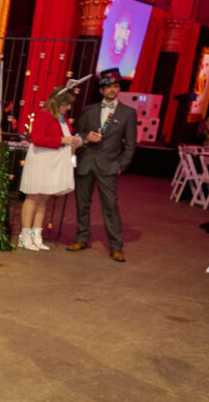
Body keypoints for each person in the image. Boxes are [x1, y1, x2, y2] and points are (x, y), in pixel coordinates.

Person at [67, 68, 136, 262]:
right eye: (108, 87)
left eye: (115, 86)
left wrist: (121, 165)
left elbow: (130, 145)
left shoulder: (128, 113)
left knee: (110, 206)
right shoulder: (89, 110)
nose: (112, 90)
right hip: (87, 162)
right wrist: (85, 137)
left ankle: (116, 246)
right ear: (101, 90)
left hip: (109, 166)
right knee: (82, 204)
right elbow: (77, 133)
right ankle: (81, 238)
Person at [17, 87, 81, 251]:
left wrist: (74, 141)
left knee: (43, 200)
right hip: (41, 160)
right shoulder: (43, 115)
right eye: (66, 104)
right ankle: (25, 235)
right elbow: (37, 138)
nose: (68, 108)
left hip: (53, 162)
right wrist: (62, 140)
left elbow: (66, 138)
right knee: (32, 198)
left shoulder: (61, 119)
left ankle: (36, 234)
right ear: (58, 102)